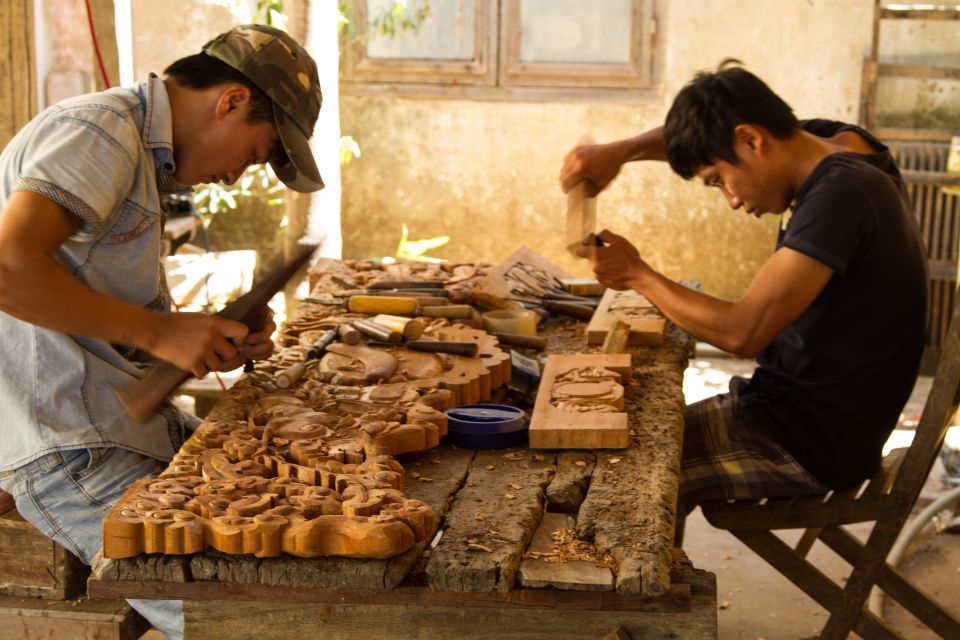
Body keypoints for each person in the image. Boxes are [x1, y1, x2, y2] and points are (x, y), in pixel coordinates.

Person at [0, 24, 324, 638]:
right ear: (230, 102)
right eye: (254, 156)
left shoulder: (144, 160)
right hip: (68, 446)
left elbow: (94, 309)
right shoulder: (100, 133)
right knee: (241, 624)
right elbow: (9, 269)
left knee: (298, 524)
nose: (235, 177)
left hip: (126, 425)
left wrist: (210, 335)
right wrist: (159, 334)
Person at [561, 62, 927, 534]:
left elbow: (742, 332)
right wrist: (621, 152)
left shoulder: (841, 195)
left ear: (753, 140)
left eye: (718, 180)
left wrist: (637, 275)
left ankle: (640, 600)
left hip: (809, 442)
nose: (730, 200)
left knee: (626, 481)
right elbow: (714, 127)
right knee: (632, 438)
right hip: (801, 412)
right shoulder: (835, 144)